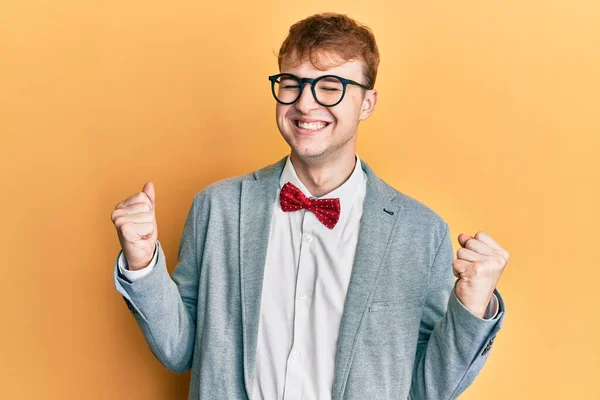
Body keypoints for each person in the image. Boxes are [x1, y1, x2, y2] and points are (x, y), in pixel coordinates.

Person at [111, 12, 509, 399]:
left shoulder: (420, 232)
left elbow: (429, 388)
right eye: (292, 83)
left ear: (367, 103)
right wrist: (143, 263)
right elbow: (179, 350)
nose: (305, 103)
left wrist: (473, 306)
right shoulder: (217, 208)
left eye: (331, 86)